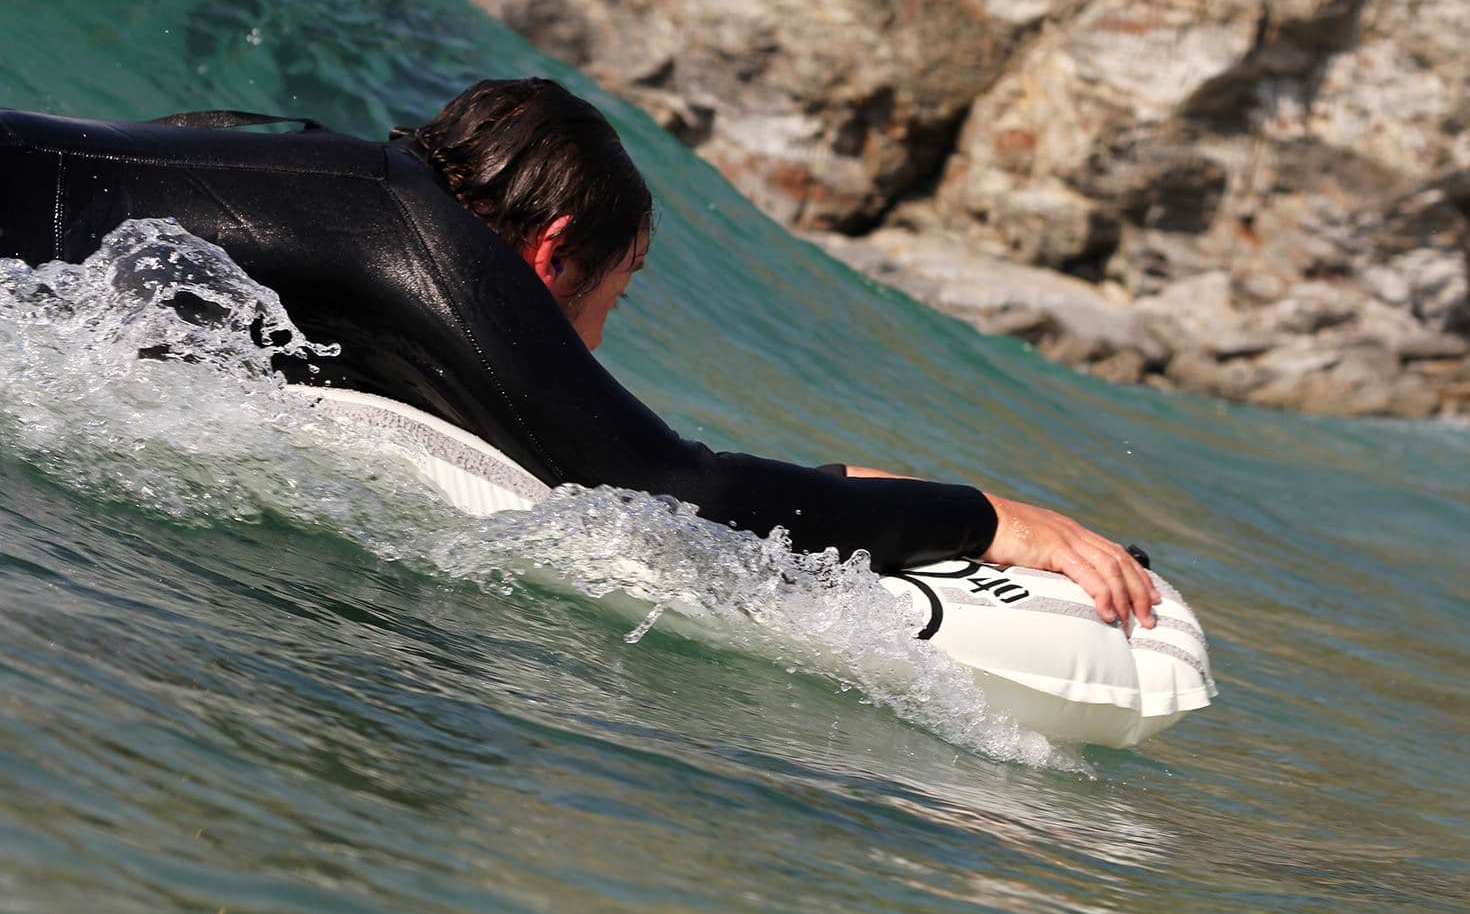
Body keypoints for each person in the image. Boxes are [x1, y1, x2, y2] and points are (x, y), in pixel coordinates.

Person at [0, 79, 1158, 627]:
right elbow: (654, 490)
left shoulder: (303, 168)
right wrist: (984, 519)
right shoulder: (416, 237)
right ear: (551, 250)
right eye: (616, 292)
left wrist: (834, 493)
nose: (602, 335)